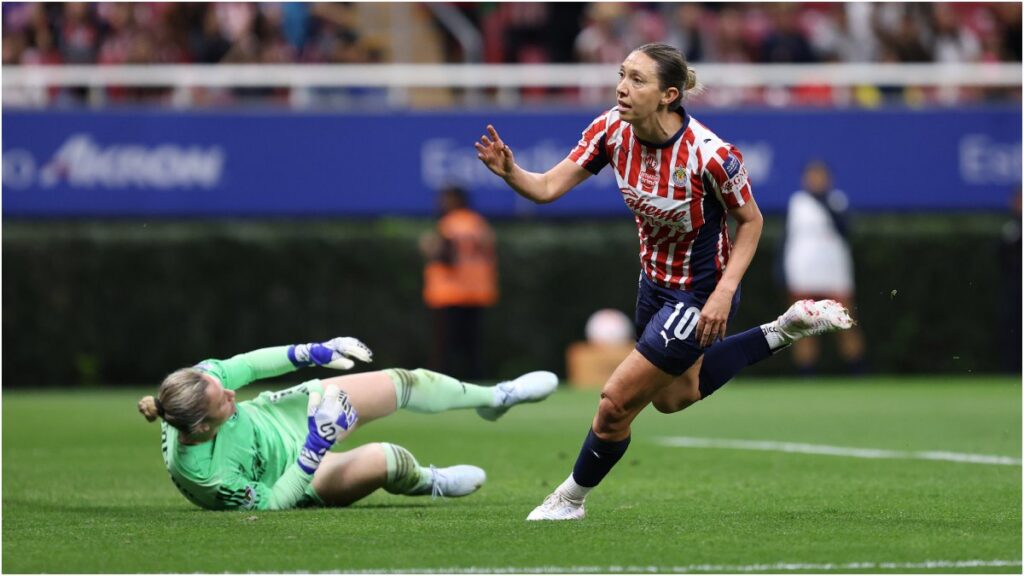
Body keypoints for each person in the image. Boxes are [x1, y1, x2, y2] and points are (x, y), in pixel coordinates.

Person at [475, 42, 854, 521]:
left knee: (614, 404)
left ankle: (569, 499)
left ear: (668, 94)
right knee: (673, 399)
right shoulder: (611, 129)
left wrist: (723, 292)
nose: (621, 87)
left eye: (637, 79)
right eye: (621, 74)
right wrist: (511, 172)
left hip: (700, 292)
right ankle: (784, 330)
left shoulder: (711, 156)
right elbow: (548, 187)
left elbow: (751, 221)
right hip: (653, 285)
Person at [137, 336, 556, 511]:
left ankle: (494, 398)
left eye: (221, 389)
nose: (229, 393)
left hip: (279, 415)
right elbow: (270, 504)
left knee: (402, 382)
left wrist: (312, 351)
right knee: (387, 461)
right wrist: (316, 448)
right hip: (296, 475)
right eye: (222, 403)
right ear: (201, 430)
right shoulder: (207, 473)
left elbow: (246, 366)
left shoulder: (197, 381)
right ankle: (432, 482)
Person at [781, 160, 866, 375]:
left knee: (845, 322)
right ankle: (806, 373)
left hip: (833, 271)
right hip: (803, 271)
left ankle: (857, 370)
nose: (816, 180)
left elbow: (847, 230)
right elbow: (787, 239)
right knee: (802, 324)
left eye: (820, 176)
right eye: (811, 175)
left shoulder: (837, 201)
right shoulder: (797, 203)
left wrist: (826, 202)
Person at [419, 185, 498, 380]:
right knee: (473, 347)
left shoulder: (449, 224)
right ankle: (476, 383)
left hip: (449, 293)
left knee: (444, 348)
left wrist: (429, 247)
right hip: (477, 292)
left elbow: (445, 256)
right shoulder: (478, 223)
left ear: (455, 200)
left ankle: (440, 384)